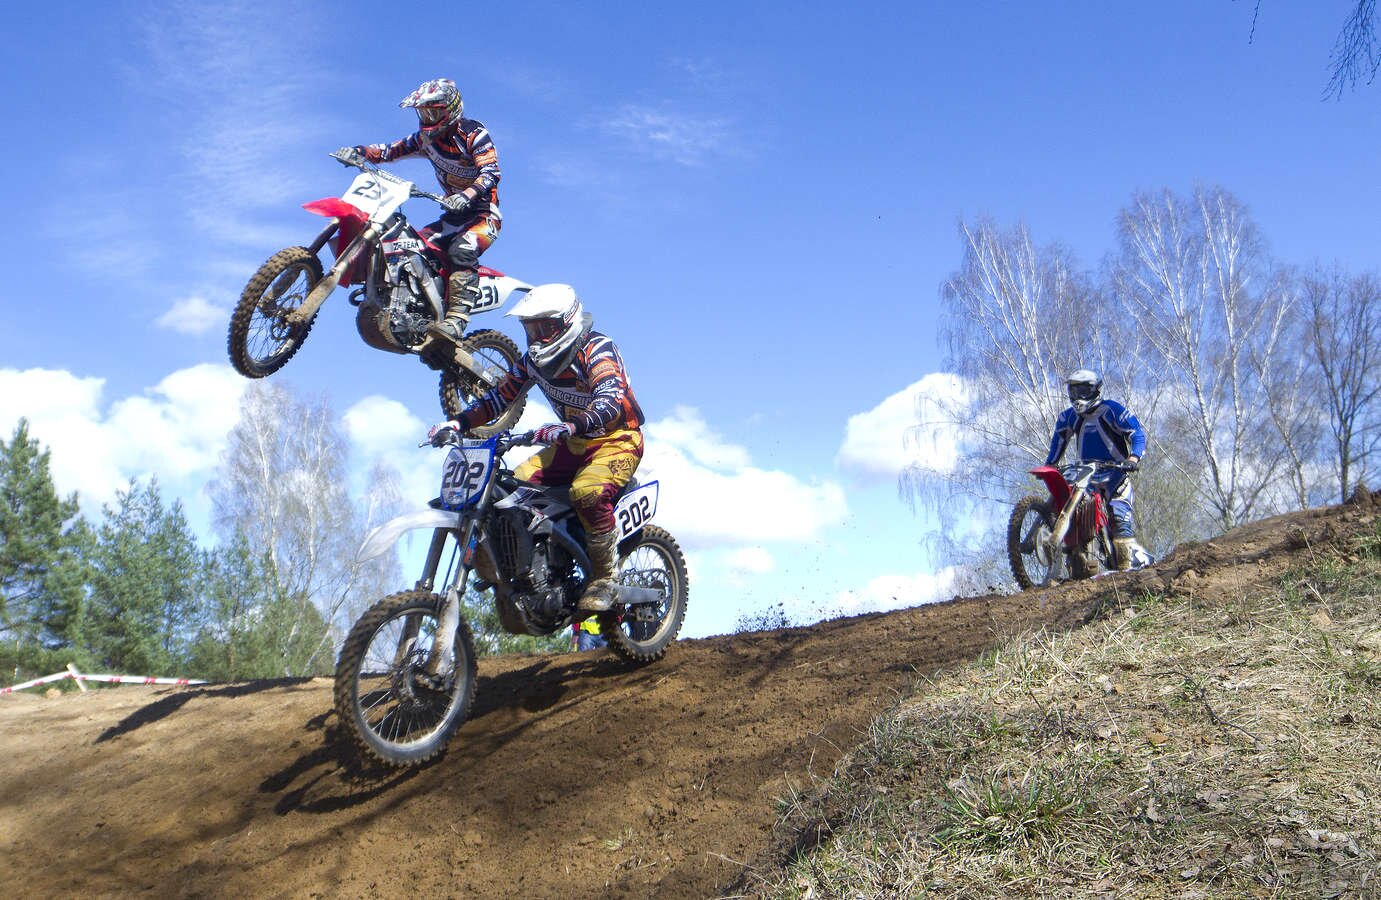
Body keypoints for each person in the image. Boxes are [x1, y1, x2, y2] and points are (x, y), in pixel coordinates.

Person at [432, 283, 644, 612]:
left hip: (617, 439)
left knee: (587, 492)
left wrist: (571, 425)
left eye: (543, 328)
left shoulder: (596, 349)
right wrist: (458, 422)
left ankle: (605, 578)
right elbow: (500, 397)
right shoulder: (532, 361)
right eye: (530, 329)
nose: (536, 338)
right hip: (573, 442)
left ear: (566, 322)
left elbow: (610, 399)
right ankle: (528, 566)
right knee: (513, 491)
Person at [347, 78, 501, 342]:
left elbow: (491, 172)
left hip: (483, 215)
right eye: (423, 113)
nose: (428, 119)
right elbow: (390, 151)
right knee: (410, 247)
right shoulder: (425, 140)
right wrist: (359, 151)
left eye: (433, 112)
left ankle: (456, 320)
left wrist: (466, 195)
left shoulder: (473, 134)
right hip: (452, 216)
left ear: (451, 109)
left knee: (462, 249)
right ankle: (406, 303)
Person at [1045, 369, 1147, 570]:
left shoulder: (1111, 410)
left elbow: (1137, 434)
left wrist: (1133, 458)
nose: (1077, 396)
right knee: (1077, 515)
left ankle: (1126, 569)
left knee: (1120, 520)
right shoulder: (1069, 416)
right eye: (1073, 391)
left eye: (1083, 391)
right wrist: (1050, 465)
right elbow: (1058, 441)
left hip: (1116, 475)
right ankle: (1077, 563)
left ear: (1095, 390)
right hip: (1087, 477)